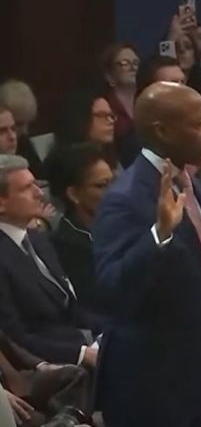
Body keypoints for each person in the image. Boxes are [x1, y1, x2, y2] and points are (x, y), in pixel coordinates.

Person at [92, 82, 201, 426]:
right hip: (150, 384)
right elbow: (112, 289)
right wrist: (159, 235)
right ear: (162, 131)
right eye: (198, 124)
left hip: (200, 371)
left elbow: (198, 280)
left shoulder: (191, 183)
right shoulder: (124, 198)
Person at [0, 155, 100, 368]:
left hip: (81, 340)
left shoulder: (38, 239)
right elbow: (14, 338)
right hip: (53, 364)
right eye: (26, 188)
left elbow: (70, 307)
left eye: (36, 184)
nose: (39, 193)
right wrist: (81, 354)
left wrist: (109, 331)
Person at [46, 143, 114, 312]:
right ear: (74, 194)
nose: (114, 192)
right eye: (101, 185)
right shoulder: (65, 246)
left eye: (114, 182)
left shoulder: (126, 224)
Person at [0, 327, 90, 427]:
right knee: (37, 419)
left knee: (74, 374)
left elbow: (10, 346)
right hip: (5, 397)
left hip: (19, 381)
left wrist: (41, 365)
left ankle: (63, 420)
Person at [51, 89, 118, 169]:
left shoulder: (110, 155)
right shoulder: (66, 165)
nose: (111, 121)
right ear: (81, 119)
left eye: (111, 115)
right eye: (101, 115)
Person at [99, 43, 140, 168]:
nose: (133, 68)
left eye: (135, 63)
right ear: (109, 75)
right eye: (125, 63)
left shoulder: (148, 101)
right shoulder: (104, 107)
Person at [0, 80, 43, 179]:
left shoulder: (25, 145)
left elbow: (40, 177)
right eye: (19, 124)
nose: (25, 131)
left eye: (13, 128)